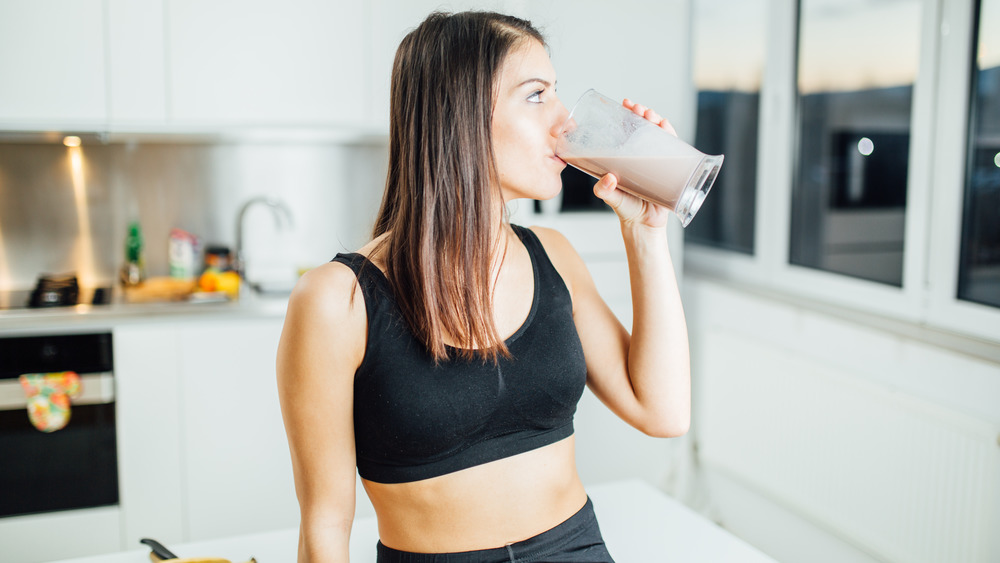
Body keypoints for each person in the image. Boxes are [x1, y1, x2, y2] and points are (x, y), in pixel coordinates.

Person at [276, 10, 690, 563]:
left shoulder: (554, 257)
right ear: (460, 113)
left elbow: (662, 412)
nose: (566, 121)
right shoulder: (339, 301)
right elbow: (325, 526)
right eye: (538, 95)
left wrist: (646, 235)